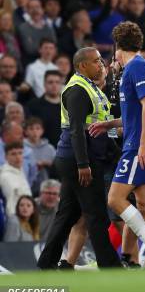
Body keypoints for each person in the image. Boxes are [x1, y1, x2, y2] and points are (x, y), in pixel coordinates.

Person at [88, 22, 145, 268]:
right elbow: (134, 114)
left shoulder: (137, 67)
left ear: (117, 46)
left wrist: (142, 144)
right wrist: (110, 124)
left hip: (137, 144)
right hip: (139, 139)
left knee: (115, 199)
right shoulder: (135, 69)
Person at [36, 47, 122, 269]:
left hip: (81, 157)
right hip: (79, 159)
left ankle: (46, 264)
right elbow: (76, 129)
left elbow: (96, 125)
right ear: (82, 65)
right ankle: (110, 265)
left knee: (67, 215)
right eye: (96, 61)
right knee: (96, 214)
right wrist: (83, 164)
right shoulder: (77, 90)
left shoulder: (90, 88)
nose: (101, 64)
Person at [0, 141, 32, 215]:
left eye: (20, 153)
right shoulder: (5, 176)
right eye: (13, 154)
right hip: (16, 218)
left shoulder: (20, 171)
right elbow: (10, 204)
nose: (18, 157)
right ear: (6, 157)